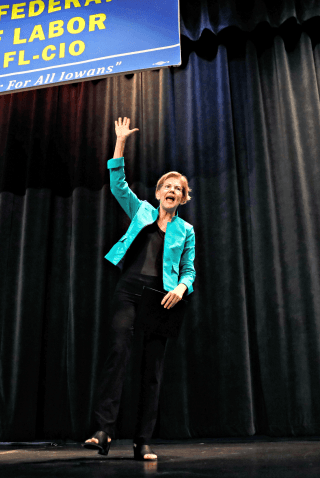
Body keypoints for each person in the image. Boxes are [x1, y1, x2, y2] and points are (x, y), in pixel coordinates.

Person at [84, 117, 196, 461]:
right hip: (129, 290)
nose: (172, 192)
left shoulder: (186, 231)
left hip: (161, 301)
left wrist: (181, 286)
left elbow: (189, 271)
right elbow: (118, 184)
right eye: (168, 187)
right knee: (117, 354)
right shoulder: (142, 210)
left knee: (152, 372)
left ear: (183, 198)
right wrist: (120, 143)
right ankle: (104, 431)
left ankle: (142, 440)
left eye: (178, 189)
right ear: (159, 192)